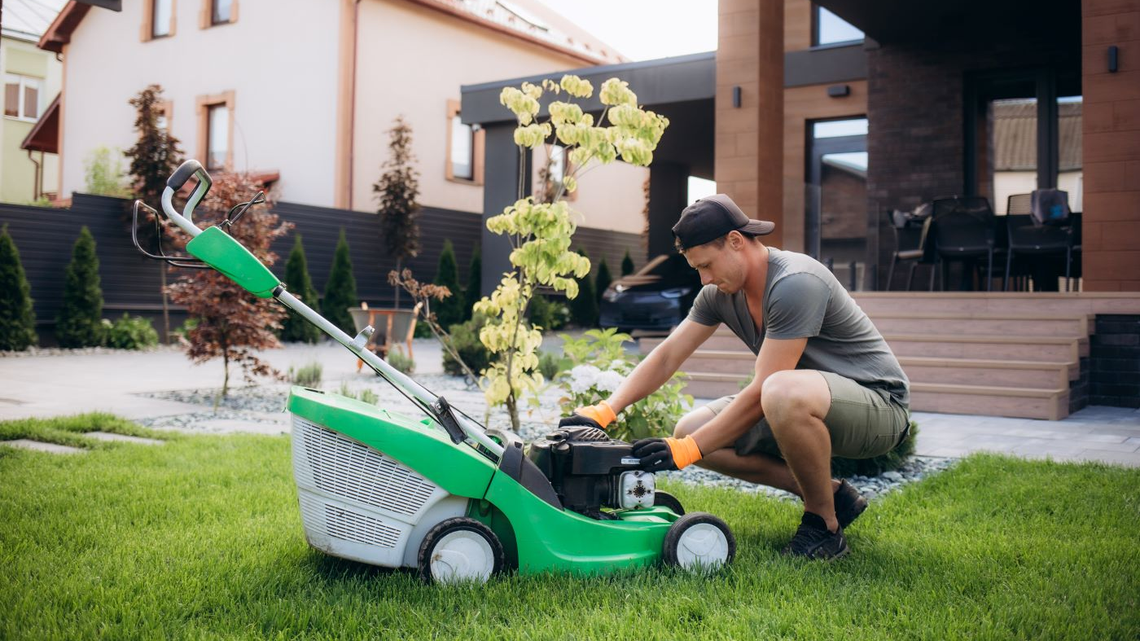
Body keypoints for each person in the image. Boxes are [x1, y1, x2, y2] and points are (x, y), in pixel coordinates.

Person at [560, 194, 910, 560]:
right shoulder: (719, 295)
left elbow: (765, 389)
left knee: (774, 393)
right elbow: (666, 356)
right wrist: (604, 410)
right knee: (690, 427)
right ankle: (833, 496)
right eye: (698, 269)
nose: (705, 278)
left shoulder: (795, 282)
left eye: (708, 265)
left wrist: (687, 451)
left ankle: (824, 526)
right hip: (805, 398)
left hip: (879, 407)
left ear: (736, 241)